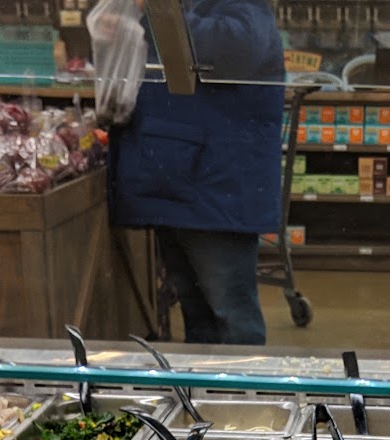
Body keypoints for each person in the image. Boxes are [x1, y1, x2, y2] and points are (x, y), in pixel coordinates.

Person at [107, 0, 284, 346]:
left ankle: (242, 382)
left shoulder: (239, 7)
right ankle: (203, 382)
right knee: (195, 309)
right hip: (174, 172)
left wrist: (157, 11)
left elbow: (238, 46)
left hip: (215, 182)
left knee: (232, 315)